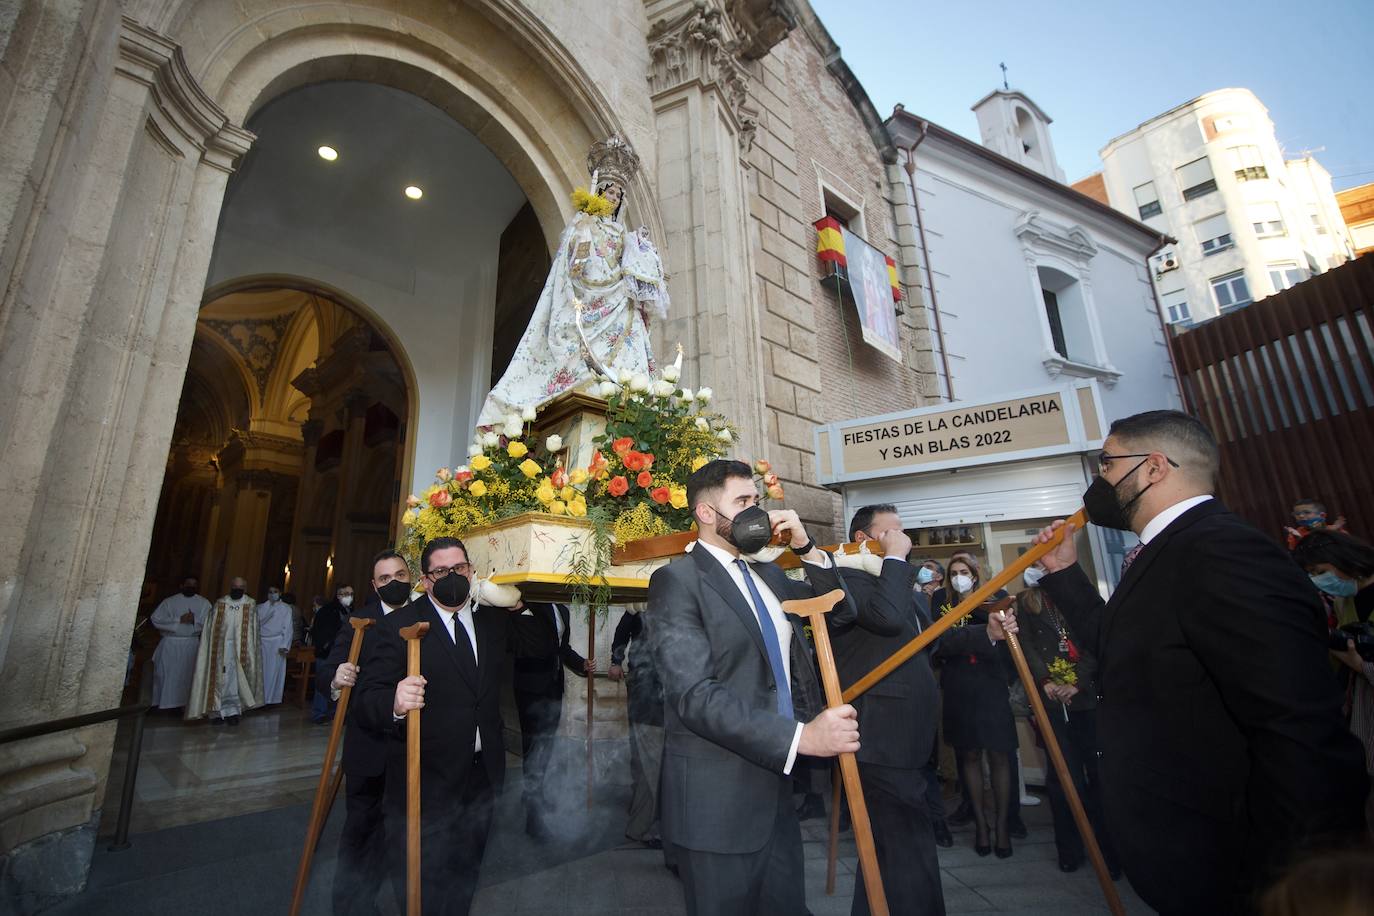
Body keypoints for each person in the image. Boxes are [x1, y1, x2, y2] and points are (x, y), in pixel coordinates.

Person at [1033, 409, 1368, 913]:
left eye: (1105, 463)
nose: (1098, 478)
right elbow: (1129, 646)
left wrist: (1308, 880)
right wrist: (1065, 573)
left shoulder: (1224, 551)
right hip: (1188, 859)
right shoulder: (1166, 551)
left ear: (1153, 467)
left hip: (1240, 865)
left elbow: (1295, 725)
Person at [647, 459, 860, 916]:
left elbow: (840, 615)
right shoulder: (676, 581)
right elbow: (694, 695)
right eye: (742, 502)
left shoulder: (769, 573)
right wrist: (803, 737)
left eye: (756, 502)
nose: (755, 513)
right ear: (706, 513)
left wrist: (805, 546)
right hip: (716, 803)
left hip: (777, 790)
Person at [354, 537, 540, 916]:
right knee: (421, 880)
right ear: (425, 580)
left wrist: (515, 603)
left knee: (465, 871)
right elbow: (366, 699)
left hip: (481, 775)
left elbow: (540, 647)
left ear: (471, 571)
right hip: (424, 777)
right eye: (441, 571)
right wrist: (394, 700)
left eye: (460, 568)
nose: (452, 576)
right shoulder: (401, 625)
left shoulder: (490, 620)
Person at [477, 134, 670, 426]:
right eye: (610, 193)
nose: (614, 199)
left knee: (630, 364)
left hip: (618, 304)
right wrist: (586, 251)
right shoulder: (583, 226)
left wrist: (641, 251)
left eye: (618, 195)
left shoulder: (623, 235)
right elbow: (575, 267)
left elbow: (636, 273)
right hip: (590, 297)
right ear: (598, 193)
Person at [830, 505, 945, 916]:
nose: (903, 538)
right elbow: (885, 618)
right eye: (892, 531)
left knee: (894, 849)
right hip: (881, 734)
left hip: (909, 735)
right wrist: (895, 557)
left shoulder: (896, 584)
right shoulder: (848, 580)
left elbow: (923, 643)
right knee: (903, 847)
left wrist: (986, 635)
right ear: (864, 540)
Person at [318, 550, 415, 916]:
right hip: (369, 746)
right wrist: (337, 676)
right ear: (374, 585)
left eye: (400, 575)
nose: (393, 582)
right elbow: (330, 667)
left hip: (413, 747)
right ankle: (352, 907)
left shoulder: (425, 615)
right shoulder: (361, 620)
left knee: (407, 835)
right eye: (385, 578)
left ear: (411, 576)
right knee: (362, 834)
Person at [1015, 567, 1119, 876]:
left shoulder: (1080, 598)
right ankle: (1069, 850)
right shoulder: (1026, 602)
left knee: (1099, 776)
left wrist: (1077, 681)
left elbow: (1096, 641)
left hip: (1086, 697)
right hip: (1051, 700)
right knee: (1062, 777)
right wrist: (1045, 680)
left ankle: (1109, 852)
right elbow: (1027, 646)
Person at [931, 555, 1017, 857]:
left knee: (1000, 756)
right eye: (953, 573)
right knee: (968, 755)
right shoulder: (943, 601)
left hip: (991, 686)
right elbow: (940, 644)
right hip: (958, 687)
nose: (958, 578)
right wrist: (983, 636)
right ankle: (981, 824)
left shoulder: (996, 600)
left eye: (963, 572)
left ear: (976, 574)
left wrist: (971, 637)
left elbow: (1006, 640)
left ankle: (1003, 825)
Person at [1292, 529, 1374, 829]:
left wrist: (1359, 663)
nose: (1319, 580)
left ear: (1343, 558)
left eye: (1321, 571)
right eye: (1312, 575)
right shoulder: (1345, 603)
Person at [511, 600, 594, 839]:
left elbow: (561, 648)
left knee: (545, 747)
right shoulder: (528, 605)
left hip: (553, 687)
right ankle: (533, 818)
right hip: (530, 689)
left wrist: (581, 663)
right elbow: (526, 644)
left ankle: (534, 796)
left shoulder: (563, 610)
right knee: (534, 749)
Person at [609, 607, 667, 852]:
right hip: (649, 698)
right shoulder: (641, 606)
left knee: (645, 761)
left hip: (652, 697)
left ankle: (640, 813)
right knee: (650, 765)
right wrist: (615, 660)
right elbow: (622, 633)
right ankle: (641, 827)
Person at [185, 577, 264, 726]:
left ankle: (233, 712)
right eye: (234, 586)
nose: (237, 589)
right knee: (219, 680)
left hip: (240, 652)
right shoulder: (221, 604)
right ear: (230, 587)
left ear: (245, 589)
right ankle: (216, 712)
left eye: (240, 587)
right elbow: (210, 628)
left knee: (235, 681)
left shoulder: (250, 604)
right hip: (221, 650)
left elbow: (253, 632)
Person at [148, 577, 210, 711]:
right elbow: (155, 619)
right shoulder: (169, 602)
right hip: (170, 644)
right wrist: (178, 620)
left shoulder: (204, 603)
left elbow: (211, 622)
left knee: (186, 675)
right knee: (164, 674)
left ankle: (182, 705)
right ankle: (159, 703)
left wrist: (195, 620)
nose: (191, 587)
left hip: (191, 644)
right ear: (182, 585)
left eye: (194, 585)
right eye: (188, 584)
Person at [310, 584, 355, 724]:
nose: (349, 597)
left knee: (340, 684)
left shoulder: (350, 611)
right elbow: (319, 631)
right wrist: (326, 645)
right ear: (338, 595)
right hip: (326, 653)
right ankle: (320, 714)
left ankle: (335, 714)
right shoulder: (328, 610)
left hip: (341, 655)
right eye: (345, 593)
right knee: (324, 682)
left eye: (351, 593)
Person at [258, 585, 293, 705]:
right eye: (270, 591)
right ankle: (259, 699)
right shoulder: (261, 607)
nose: (272, 594)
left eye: (275, 591)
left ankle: (270, 699)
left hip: (276, 643)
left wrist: (285, 645)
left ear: (280, 593)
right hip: (262, 642)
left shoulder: (285, 608)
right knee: (260, 671)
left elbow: (288, 628)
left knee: (273, 672)